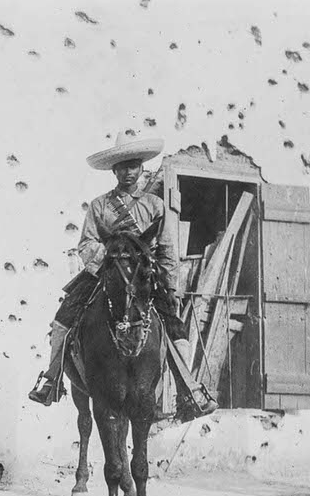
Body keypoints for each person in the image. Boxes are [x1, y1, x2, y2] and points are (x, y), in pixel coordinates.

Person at [28, 132, 218, 417]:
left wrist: (170, 287)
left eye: (133, 165)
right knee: (63, 319)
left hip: (143, 277)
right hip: (105, 272)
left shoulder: (155, 206)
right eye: (122, 166)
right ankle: (52, 379)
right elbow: (87, 243)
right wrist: (113, 257)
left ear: (141, 168)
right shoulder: (99, 206)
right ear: (114, 170)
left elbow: (166, 249)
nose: (128, 172)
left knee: (174, 326)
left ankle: (188, 390)